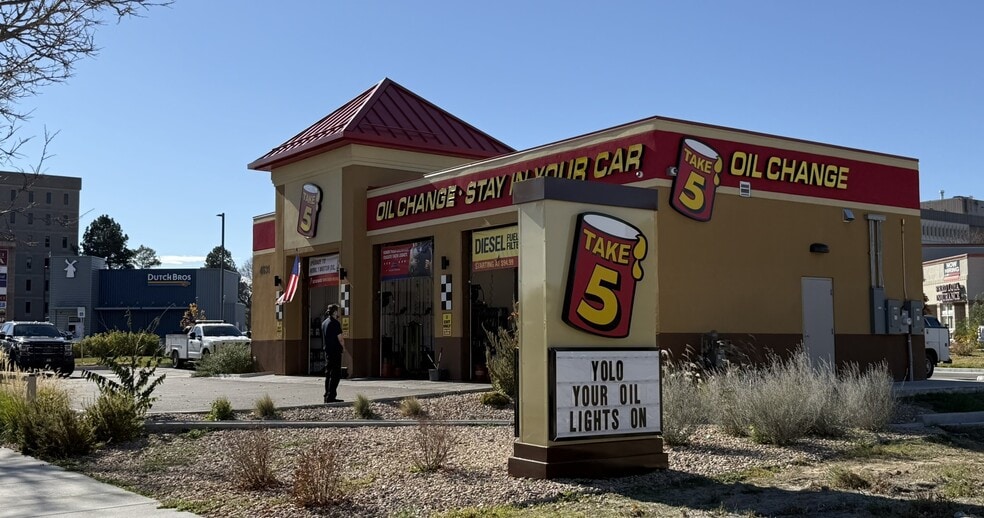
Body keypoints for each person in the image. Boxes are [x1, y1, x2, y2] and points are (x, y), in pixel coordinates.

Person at [321, 304, 345, 403]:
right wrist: (343, 347)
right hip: (335, 351)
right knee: (335, 375)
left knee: (328, 374)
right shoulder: (335, 323)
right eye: (337, 311)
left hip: (327, 351)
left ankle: (326, 395)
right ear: (335, 312)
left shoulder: (324, 323)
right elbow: (340, 338)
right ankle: (331, 396)